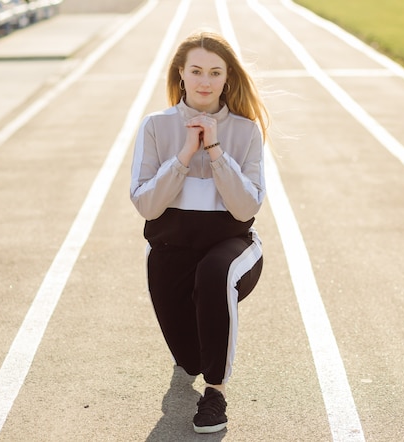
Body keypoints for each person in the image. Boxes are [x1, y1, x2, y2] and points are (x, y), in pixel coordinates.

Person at [130, 30, 269, 434]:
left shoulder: (246, 131)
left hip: (232, 244)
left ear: (227, 78)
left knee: (215, 276)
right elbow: (147, 206)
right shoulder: (155, 127)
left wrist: (215, 150)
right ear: (181, 74)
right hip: (171, 246)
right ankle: (197, 363)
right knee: (189, 359)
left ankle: (216, 394)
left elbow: (245, 207)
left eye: (214, 72)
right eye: (196, 71)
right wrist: (185, 153)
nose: (205, 81)